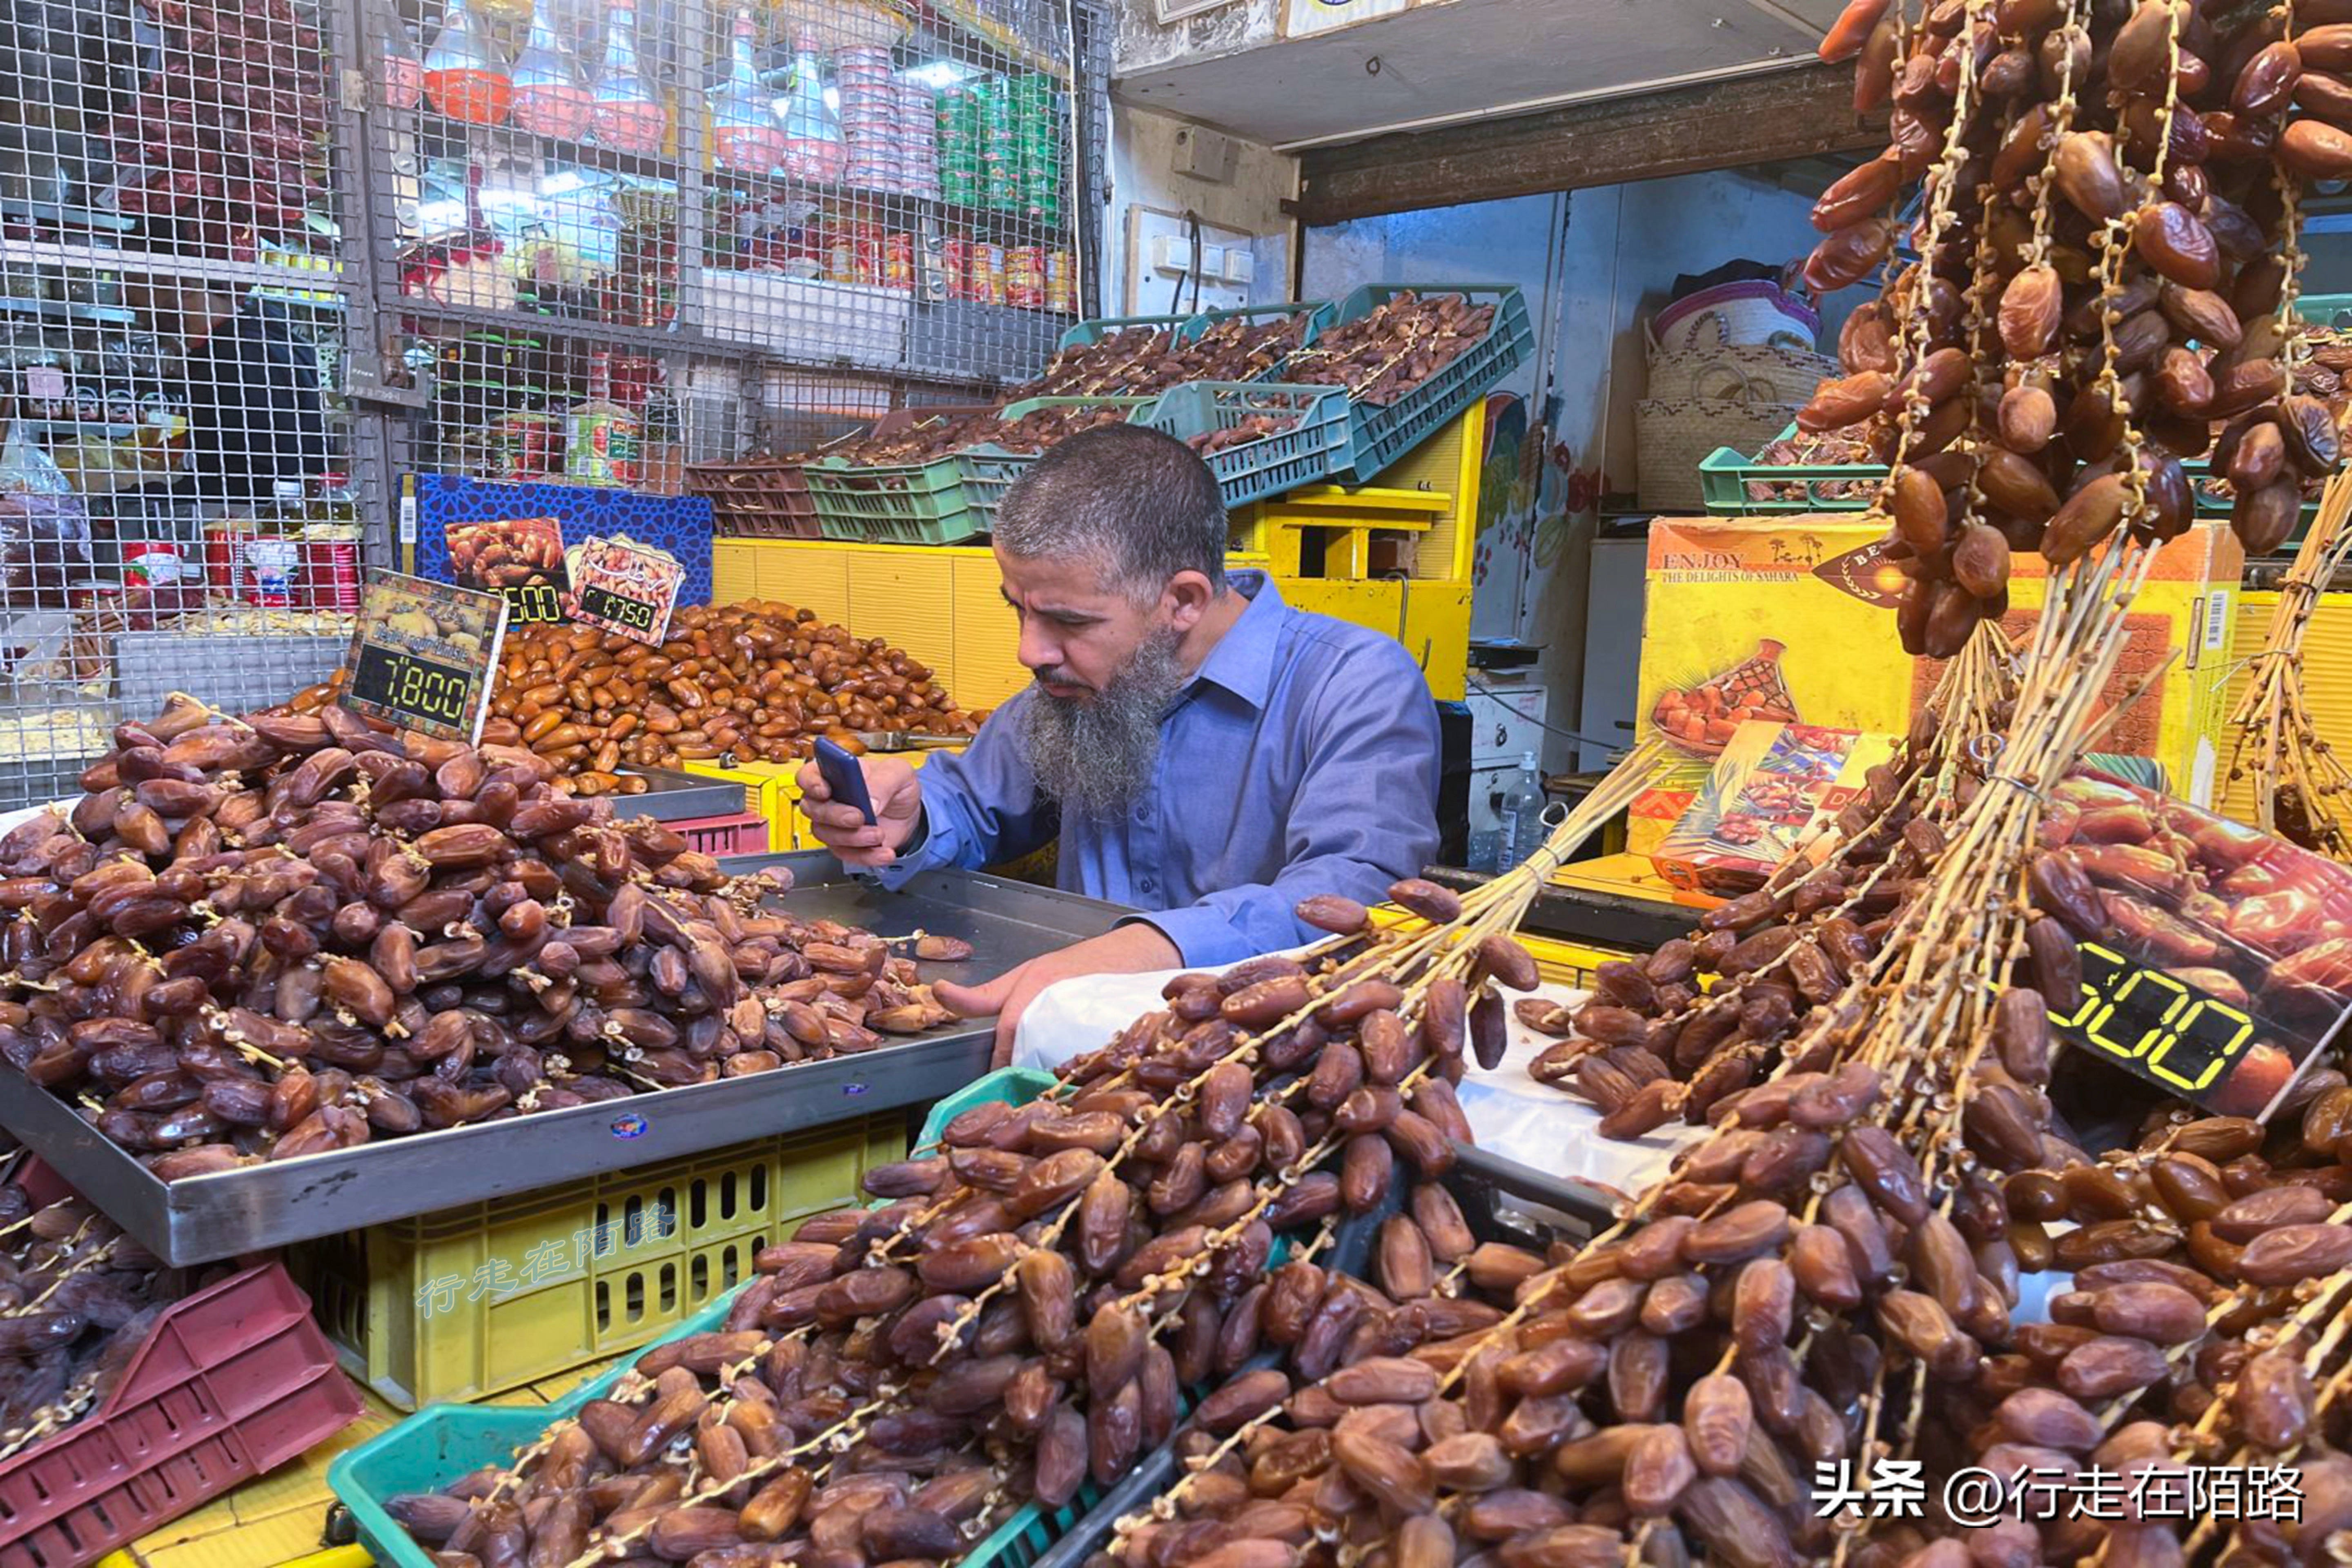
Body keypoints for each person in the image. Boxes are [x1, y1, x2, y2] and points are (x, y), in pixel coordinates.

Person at [798, 423, 1442, 1066]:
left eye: (1069, 621)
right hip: (1078, 1050)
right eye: (1018, 609)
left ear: (1182, 601)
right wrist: (910, 819)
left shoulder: (1351, 683)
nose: (1030, 651)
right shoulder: (1078, 686)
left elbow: (1359, 889)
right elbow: (972, 801)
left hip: (1263, 1068)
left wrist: (1149, 948)